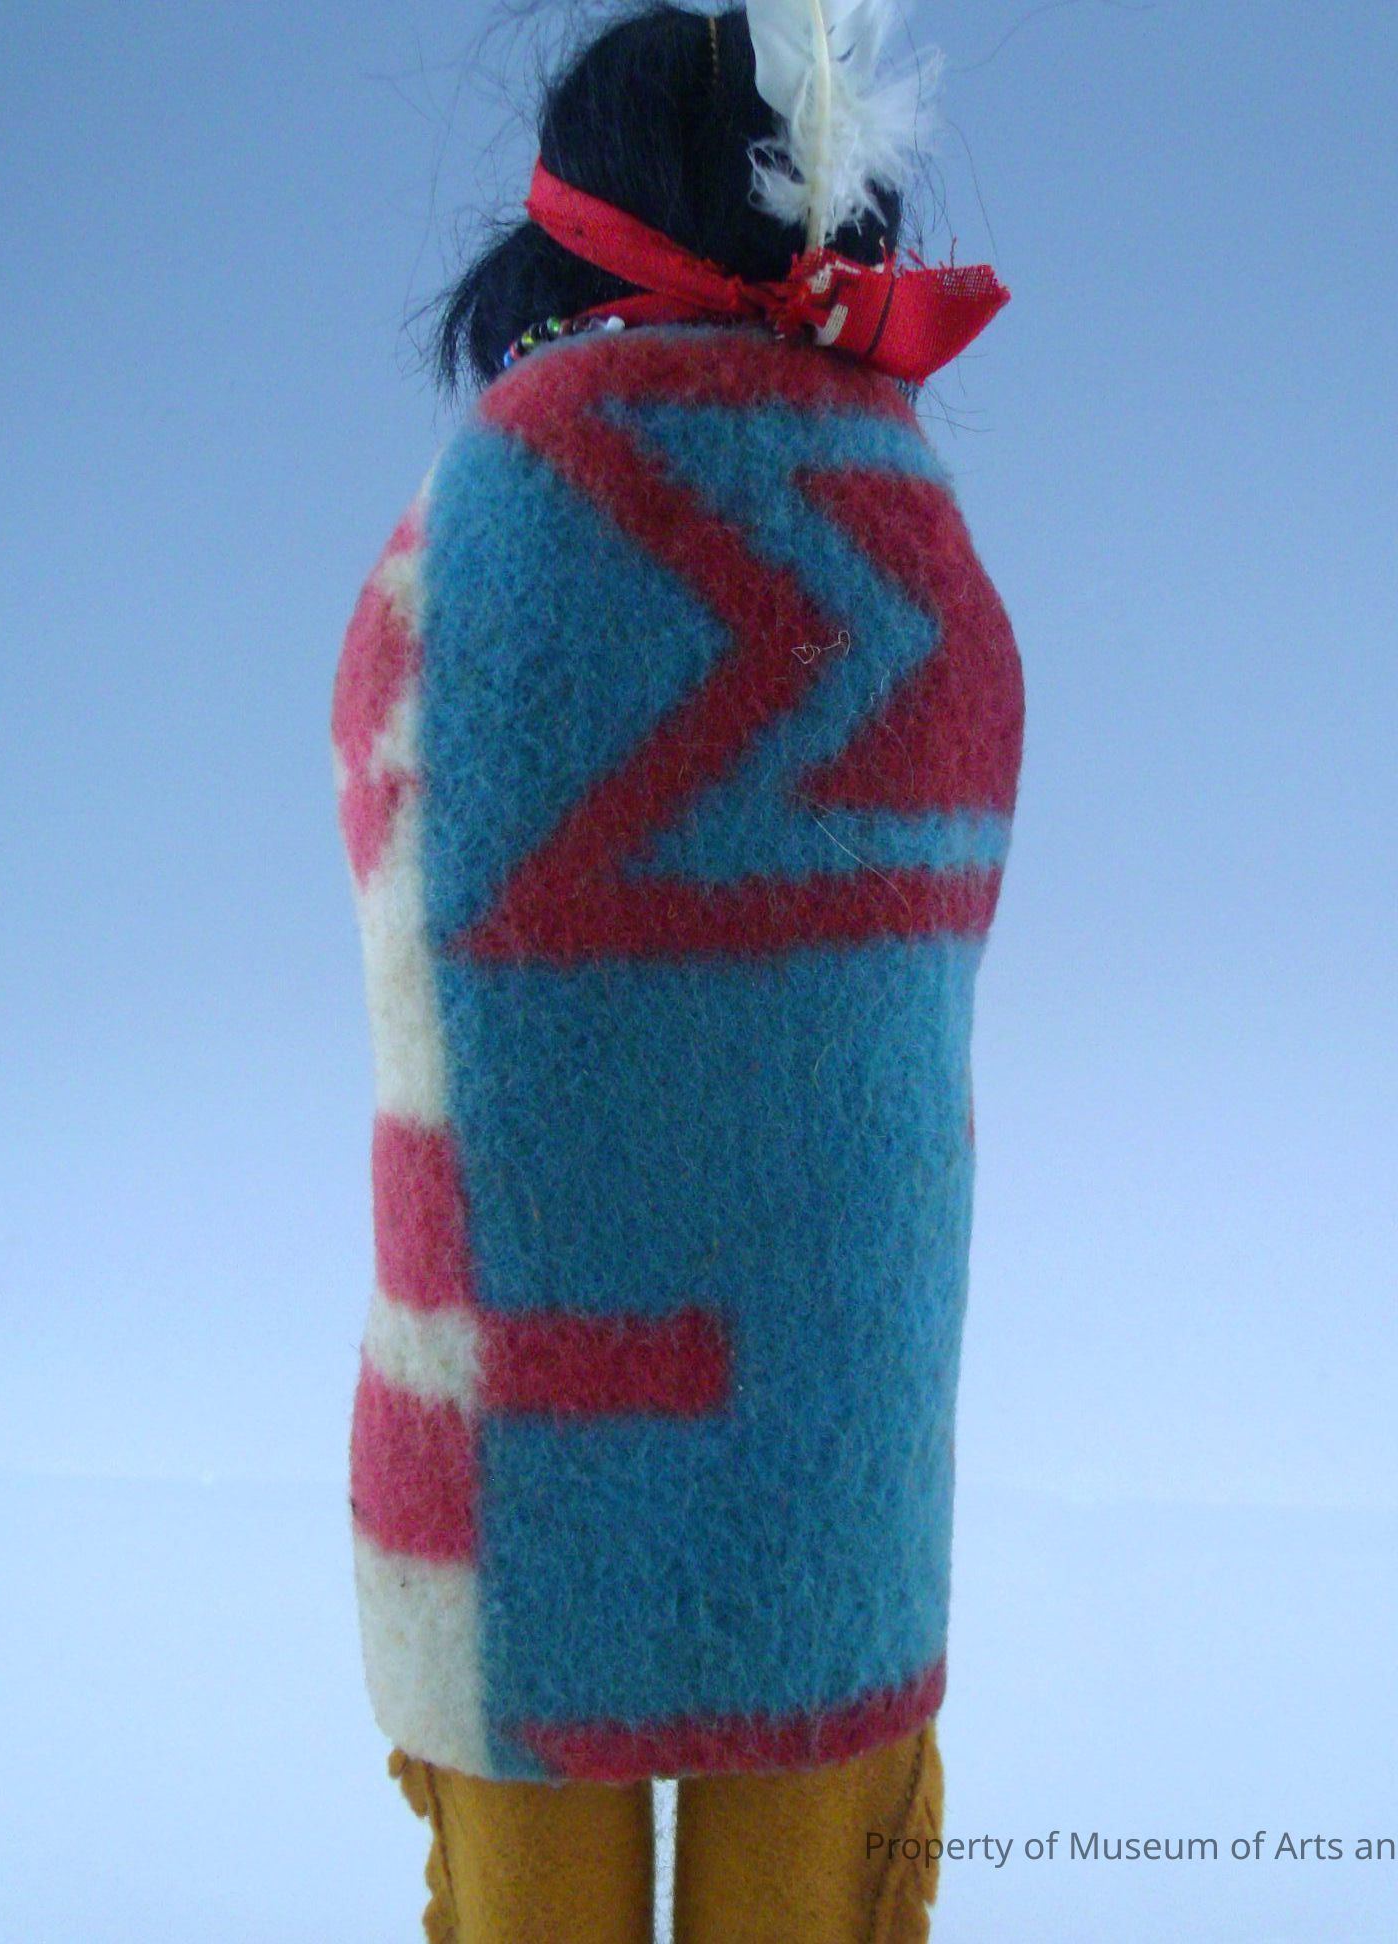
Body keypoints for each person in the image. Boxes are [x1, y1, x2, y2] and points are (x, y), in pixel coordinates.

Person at [329, 5, 1024, 1937]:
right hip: (838, 1452)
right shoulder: (915, 537)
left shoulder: (483, 512)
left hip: (507, 1456)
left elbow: (393, 868)